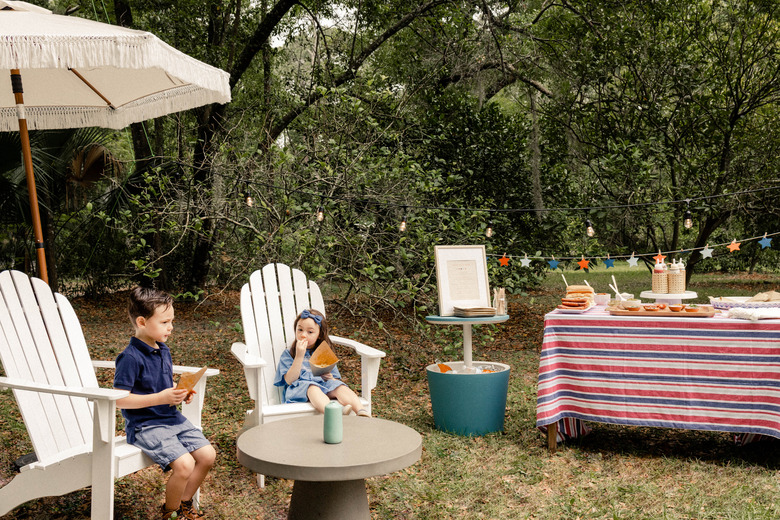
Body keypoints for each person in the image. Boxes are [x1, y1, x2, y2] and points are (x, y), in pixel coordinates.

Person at [114, 287, 216, 520]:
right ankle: (170, 513)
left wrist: (180, 393)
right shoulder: (129, 357)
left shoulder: (163, 350)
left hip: (171, 419)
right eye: (164, 322)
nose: (171, 327)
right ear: (141, 321)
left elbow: (162, 384)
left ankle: (185, 504)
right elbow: (119, 399)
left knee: (208, 455)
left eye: (172, 321)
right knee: (184, 465)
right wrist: (161, 398)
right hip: (146, 425)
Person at [274, 308, 370, 417]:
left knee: (340, 387)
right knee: (312, 387)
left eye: (310, 332)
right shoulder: (289, 354)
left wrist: (330, 378)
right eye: (300, 330)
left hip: (323, 385)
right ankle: (334, 414)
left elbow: (335, 379)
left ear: (319, 334)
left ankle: (361, 411)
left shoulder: (322, 352)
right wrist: (299, 356)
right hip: (299, 389)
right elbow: (289, 380)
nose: (303, 335)